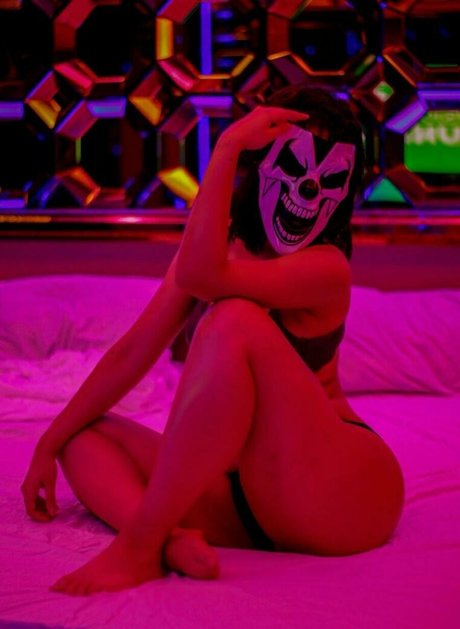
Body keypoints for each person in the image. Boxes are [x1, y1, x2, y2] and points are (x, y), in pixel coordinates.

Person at [21, 85, 405, 596]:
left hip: (337, 488)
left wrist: (226, 148)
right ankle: (170, 540)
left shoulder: (326, 267)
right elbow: (134, 350)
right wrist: (47, 443)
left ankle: (140, 545)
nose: (309, 188)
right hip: (244, 500)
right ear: (265, 161)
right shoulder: (217, 250)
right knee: (81, 436)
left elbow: (205, 277)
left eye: (329, 178)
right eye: (294, 161)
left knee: (233, 318)